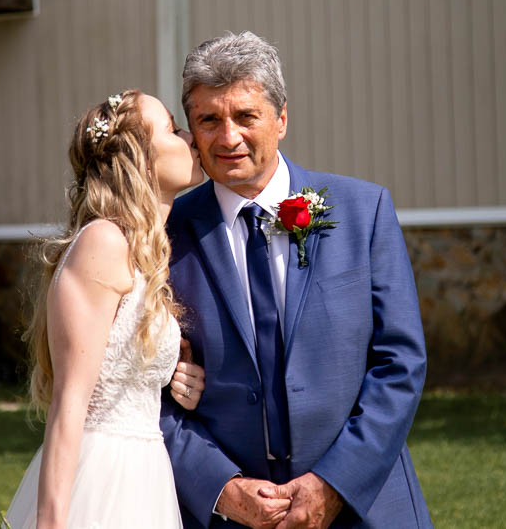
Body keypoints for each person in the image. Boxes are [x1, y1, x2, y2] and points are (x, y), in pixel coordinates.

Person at [161, 32, 432, 528]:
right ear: (192, 130)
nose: (228, 138)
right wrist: (221, 488)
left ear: (281, 119)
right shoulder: (163, 234)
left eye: (246, 116)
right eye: (209, 120)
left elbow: (400, 363)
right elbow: (140, 394)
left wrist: (334, 484)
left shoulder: (364, 211)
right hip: (228, 517)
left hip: (364, 507)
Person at [6, 91, 208, 529]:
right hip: (100, 478)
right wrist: (52, 522)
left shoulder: (141, 251)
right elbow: (70, 400)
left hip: (146, 477)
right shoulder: (103, 242)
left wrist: (177, 372)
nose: (191, 137)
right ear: (140, 159)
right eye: (173, 129)